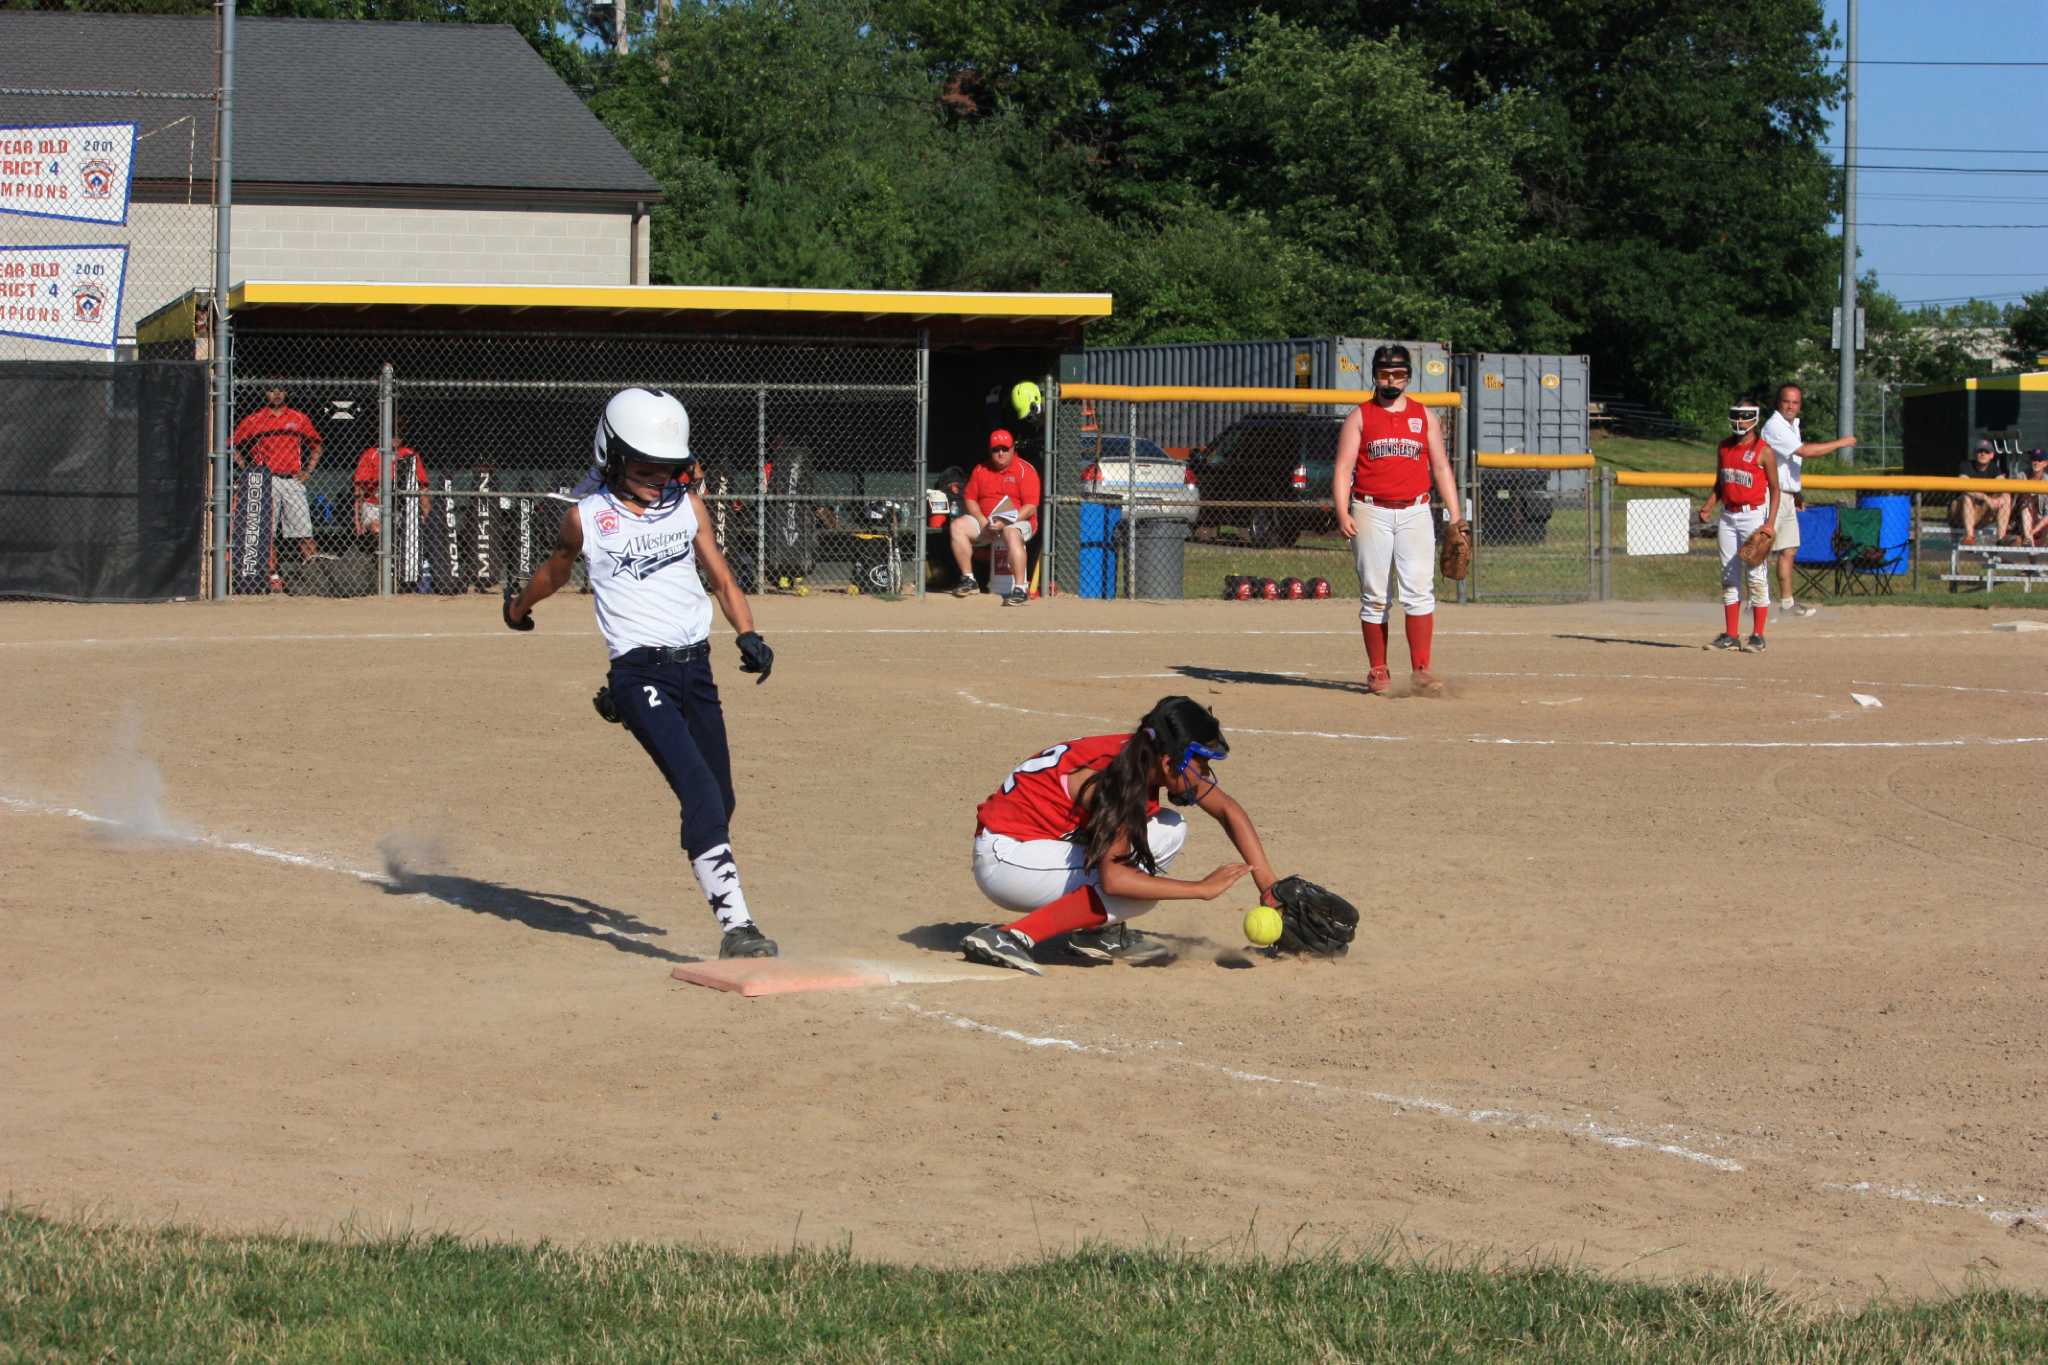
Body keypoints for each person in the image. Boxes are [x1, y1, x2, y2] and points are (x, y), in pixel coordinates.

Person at [503, 388, 781, 960]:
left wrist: (748, 632)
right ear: (611, 455)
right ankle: (739, 927)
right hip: (639, 669)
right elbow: (555, 572)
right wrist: (517, 607)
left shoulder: (687, 506)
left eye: (668, 468)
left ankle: (702, 843)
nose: (659, 478)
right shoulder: (587, 518)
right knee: (700, 792)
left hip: (695, 669)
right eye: (645, 467)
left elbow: (723, 579)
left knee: (719, 800)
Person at [959, 696, 1279, 975]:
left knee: (1169, 829)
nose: (1206, 774)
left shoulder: (1144, 755)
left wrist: (1269, 888)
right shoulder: (1119, 784)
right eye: (1202, 764)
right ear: (1170, 763)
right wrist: (1200, 889)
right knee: (1135, 895)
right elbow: (1116, 881)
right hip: (1008, 861)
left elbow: (1227, 810)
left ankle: (1098, 934)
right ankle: (1009, 936)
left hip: (1038, 844)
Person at [1330, 343, 1464, 697]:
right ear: (1374, 375)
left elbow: (1440, 467)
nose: (1392, 380)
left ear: (1409, 376)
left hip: (1416, 511)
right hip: (1370, 510)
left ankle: (1421, 669)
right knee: (1375, 595)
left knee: (1420, 592)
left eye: (1399, 374)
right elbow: (1344, 469)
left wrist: (1456, 514)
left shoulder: (1424, 416)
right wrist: (1342, 511)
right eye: (1386, 373)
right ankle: (1378, 668)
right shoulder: (1360, 417)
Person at [1758, 382, 1856, 617]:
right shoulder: (1775, 426)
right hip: (1773, 496)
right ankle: (1755, 603)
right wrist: (1841, 443)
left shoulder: (1793, 426)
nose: (1790, 406)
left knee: (1789, 550)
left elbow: (1787, 464)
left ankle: (1787, 604)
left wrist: (1796, 493)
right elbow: (1804, 452)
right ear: (1778, 403)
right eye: (1786, 401)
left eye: (1795, 402)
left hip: (1787, 496)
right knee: (1761, 550)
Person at [1698, 398, 1780, 652]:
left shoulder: (1763, 450)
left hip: (1753, 516)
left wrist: (1769, 524)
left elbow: (1776, 489)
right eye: (1736, 415)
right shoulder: (1724, 447)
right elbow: (1720, 482)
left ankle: (1758, 635)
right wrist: (1710, 504)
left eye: (1745, 416)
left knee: (1755, 575)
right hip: (1728, 516)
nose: (1739, 421)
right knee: (1728, 574)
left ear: (1754, 419)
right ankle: (1731, 635)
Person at [231, 386, 324, 576]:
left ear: (287, 393)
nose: (277, 394)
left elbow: (317, 446)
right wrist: (248, 469)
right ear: (265, 393)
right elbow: (231, 445)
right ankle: (272, 576)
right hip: (267, 481)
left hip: (293, 480)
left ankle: (314, 575)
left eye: (281, 390)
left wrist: (308, 471)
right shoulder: (255, 419)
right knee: (266, 532)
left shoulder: (298, 418)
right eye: (271, 390)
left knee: (304, 531)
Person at [949, 428, 1041, 605]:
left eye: (1005, 449)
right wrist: (981, 519)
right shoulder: (980, 470)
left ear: (1013, 449)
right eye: (996, 449)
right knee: (957, 526)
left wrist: (1008, 521)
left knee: (1011, 533)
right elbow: (970, 499)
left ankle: (1021, 589)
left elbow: (1030, 507)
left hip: (1018, 521)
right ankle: (969, 579)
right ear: (989, 450)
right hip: (987, 522)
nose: (1000, 453)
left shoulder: (1024, 469)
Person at [350, 415, 429, 550]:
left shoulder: (409, 455)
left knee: (409, 533)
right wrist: (357, 521)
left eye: (399, 434)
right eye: (392, 434)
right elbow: (359, 492)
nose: (395, 438)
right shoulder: (371, 454)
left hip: (402, 508)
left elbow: (423, 490)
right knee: (377, 530)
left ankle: (398, 562)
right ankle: (384, 563)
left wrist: (426, 516)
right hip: (375, 505)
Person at [1959, 438, 2014, 546]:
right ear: (1975, 453)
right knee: (1967, 496)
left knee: (2006, 496)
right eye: (1980, 451)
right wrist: (1986, 498)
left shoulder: (1994, 468)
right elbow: (1963, 486)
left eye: (1986, 451)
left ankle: (2001, 539)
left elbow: (2004, 485)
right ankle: (1970, 537)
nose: (1983, 454)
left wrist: (1999, 499)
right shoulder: (1966, 465)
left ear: (1991, 455)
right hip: (1960, 514)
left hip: (1982, 513)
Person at [2018, 448, 2048, 548]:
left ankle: (2029, 539)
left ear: (2045, 463)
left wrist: (2033, 531)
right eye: (2034, 459)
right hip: (2022, 518)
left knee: (2037, 550)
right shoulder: (2022, 476)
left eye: (2039, 460)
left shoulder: (2047, 481)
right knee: (2025, 505)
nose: (2036, 462)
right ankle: (2028, 539)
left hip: (2042, 520)